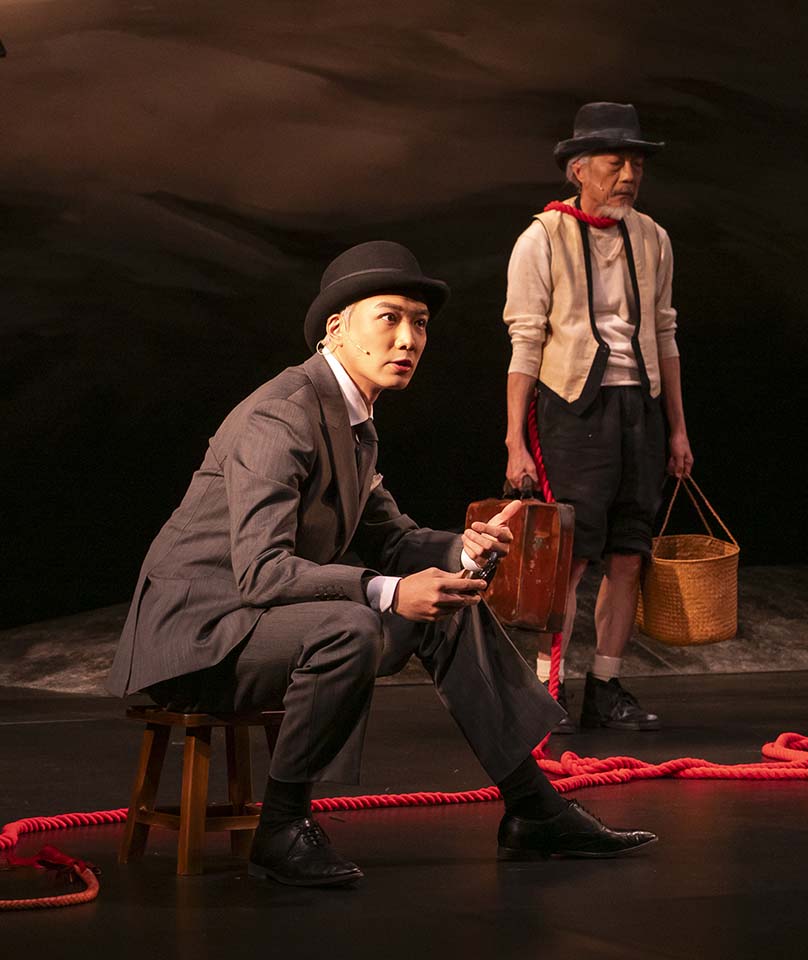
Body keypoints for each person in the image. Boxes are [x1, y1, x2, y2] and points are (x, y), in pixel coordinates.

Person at [106, 241, 656, 887]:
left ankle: (533, 807)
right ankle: (281, 827)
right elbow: (261, 571)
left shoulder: (351, 416)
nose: (408, 339)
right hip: (198, 637)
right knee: (351, 626)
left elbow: (391, 536)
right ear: (337, 327)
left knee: (449, 605)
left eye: (419, 323)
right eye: (389, 318)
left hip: (255, 622)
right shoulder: (282, 415)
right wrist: (390, 592)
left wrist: (465, 550)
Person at [503, 102, 693, 733]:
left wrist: (677, 428)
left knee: (628, 552)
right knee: (571, 556)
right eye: (616, 163)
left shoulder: (653, 238)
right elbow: (525, 341)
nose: (629, 176)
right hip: (573, 409)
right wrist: (515, 441)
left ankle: (605, 685)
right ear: (579, 169)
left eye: (636, 164)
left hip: (639, 407)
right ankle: (545, 687)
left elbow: (664, 333)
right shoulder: (542, 238)